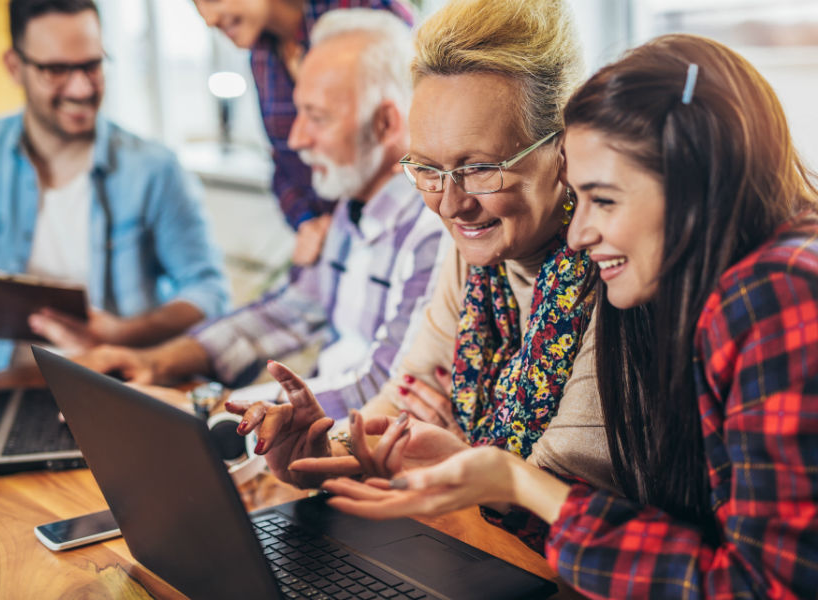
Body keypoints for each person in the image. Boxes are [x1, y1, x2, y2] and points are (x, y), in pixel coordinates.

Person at [320, 33, 818, 599]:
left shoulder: (780, 297)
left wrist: (520, 482)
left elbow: (764, 589)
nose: (578, 233)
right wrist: (502, 482)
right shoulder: (736, 289)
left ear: (696, 186)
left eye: (605, 199)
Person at [229, 0, 618, 493]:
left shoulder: (614, 269)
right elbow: (408, 397)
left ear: (564, 148)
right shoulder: (476, 253)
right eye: (427, 170)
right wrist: (322, 449)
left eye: (478, 168)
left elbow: (563, 494)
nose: (451, 205)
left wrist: (451, 463)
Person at [78, 9, 446, 423]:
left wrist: (213, 413)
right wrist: (154, 363)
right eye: (298, 112)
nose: (296, 138)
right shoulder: (349, 207)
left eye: (318, 118)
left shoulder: (434, 233)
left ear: (385, 124)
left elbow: (385, 387)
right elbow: (287, 314)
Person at [0, 0, 229, 375]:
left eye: (92, 65)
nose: (81, 88)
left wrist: (122, 333)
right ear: (15, 67)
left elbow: (209, 291)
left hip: (111, 381)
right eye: (56, 69)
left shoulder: (155, 169)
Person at [192, 0, 413, 266]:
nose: (208, 19)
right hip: (325, 246)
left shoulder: (364, 14)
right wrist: (307, 222)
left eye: (212, 0)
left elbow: (419, 136)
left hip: (390, 236)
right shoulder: (262, 57)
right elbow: (281, 159)